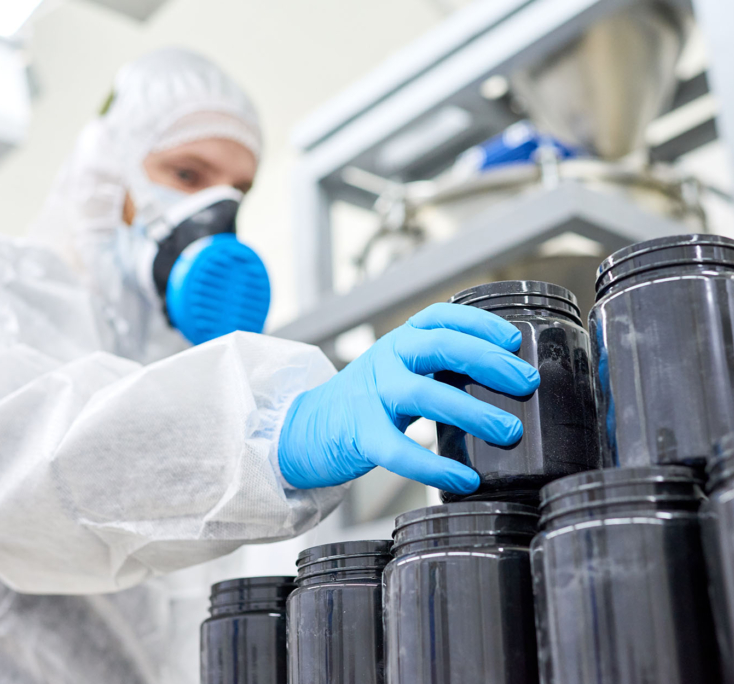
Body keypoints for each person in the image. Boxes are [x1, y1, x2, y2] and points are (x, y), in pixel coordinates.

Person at [0, 48, 539, 683]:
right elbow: (28, 455)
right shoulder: (15, 299)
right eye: (187, 174)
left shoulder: (201, 375)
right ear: (105, 176)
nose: (215, 216)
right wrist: (273, 433)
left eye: (238, 192)